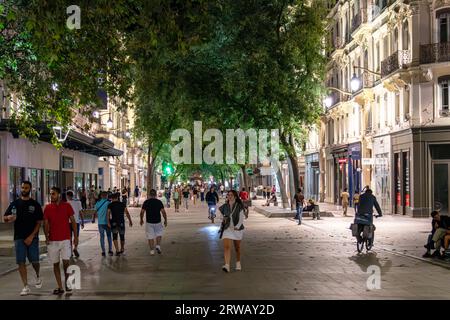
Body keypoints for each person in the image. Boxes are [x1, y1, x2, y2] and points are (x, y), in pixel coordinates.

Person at [3, 181, 44, 296]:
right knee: (21, 262)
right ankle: (25, 286)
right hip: (19, 237)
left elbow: (39, 222)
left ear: (30, 189)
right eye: (22, 187)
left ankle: (37, 276)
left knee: (34, 261)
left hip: (32, 238)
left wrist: (31, 236)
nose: (24, 189)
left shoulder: (35, 204)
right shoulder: (15, 204)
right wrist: (8, 218)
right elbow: (5, 217)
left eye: (26, 188)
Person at [44, 187, 78, 295]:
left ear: (59, 194)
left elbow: (73, 221)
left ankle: (68, 284)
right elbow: (45, 223)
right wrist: (46, 236)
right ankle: (60, 287)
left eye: (53, 194)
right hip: (53, 240)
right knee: (55, 264)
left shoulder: (67, 206)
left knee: (66, 263)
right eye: (50, 194)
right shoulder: (48, 208)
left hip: (65, 239)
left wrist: (75, 237)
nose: (51, 196)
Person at [219, 190, 246, 273]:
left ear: (235, 196)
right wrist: (223, 218)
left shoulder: (239, 206)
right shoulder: (225, 206)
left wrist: (237, 226)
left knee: (237, 247)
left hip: (237, 229)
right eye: (228, 195)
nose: (229, 196)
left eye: (231, 195)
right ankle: (227, 265)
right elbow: (220, 215)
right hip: (227, 228)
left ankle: (238, 262)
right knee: (226, 247)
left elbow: (241, 218)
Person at [140, 189, 168, 256]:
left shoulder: (146, 202)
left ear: (149, 195)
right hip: (157, 221)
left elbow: (142, 212)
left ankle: (152, 250)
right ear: (155, 195)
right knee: (158, 234)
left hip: (149, 222)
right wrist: (165, 220)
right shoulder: (159, 202)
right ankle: (158, 246)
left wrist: (141, 219)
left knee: (150, 236)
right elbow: (163, 212)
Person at [66, 191, 84, 258]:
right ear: (73, 195)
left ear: (67, 196)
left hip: (68, 222)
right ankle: (75, 248)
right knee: (76, 236)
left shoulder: (66, 203)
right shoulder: (78, 202)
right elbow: (81, 212)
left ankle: (70, 252)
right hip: (76, 222)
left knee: (69, 238)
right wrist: (82, 221)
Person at [94, 192, 113, 256]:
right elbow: (111, 212)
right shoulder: (109, 203)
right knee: (109, 236)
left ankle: (103, 251)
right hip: (108, 223)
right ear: (106, 196)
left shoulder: (98, 203)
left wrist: (93, 219)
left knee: (102, 237)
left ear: (101, 196)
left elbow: (95, 212)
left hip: (100, 223)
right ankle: (110, 250)